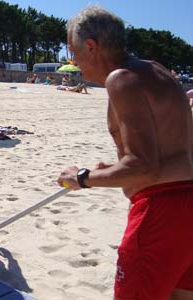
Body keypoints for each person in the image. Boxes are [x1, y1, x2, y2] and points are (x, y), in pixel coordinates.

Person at [57, 6, 193, 300]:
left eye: (74, 51)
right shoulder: (156, 70)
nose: (74, 61)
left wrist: (83, 177)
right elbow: (165, 149)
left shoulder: (120, 79)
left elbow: (144, 166)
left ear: (91, 46)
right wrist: (110, 170)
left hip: (161, 212)